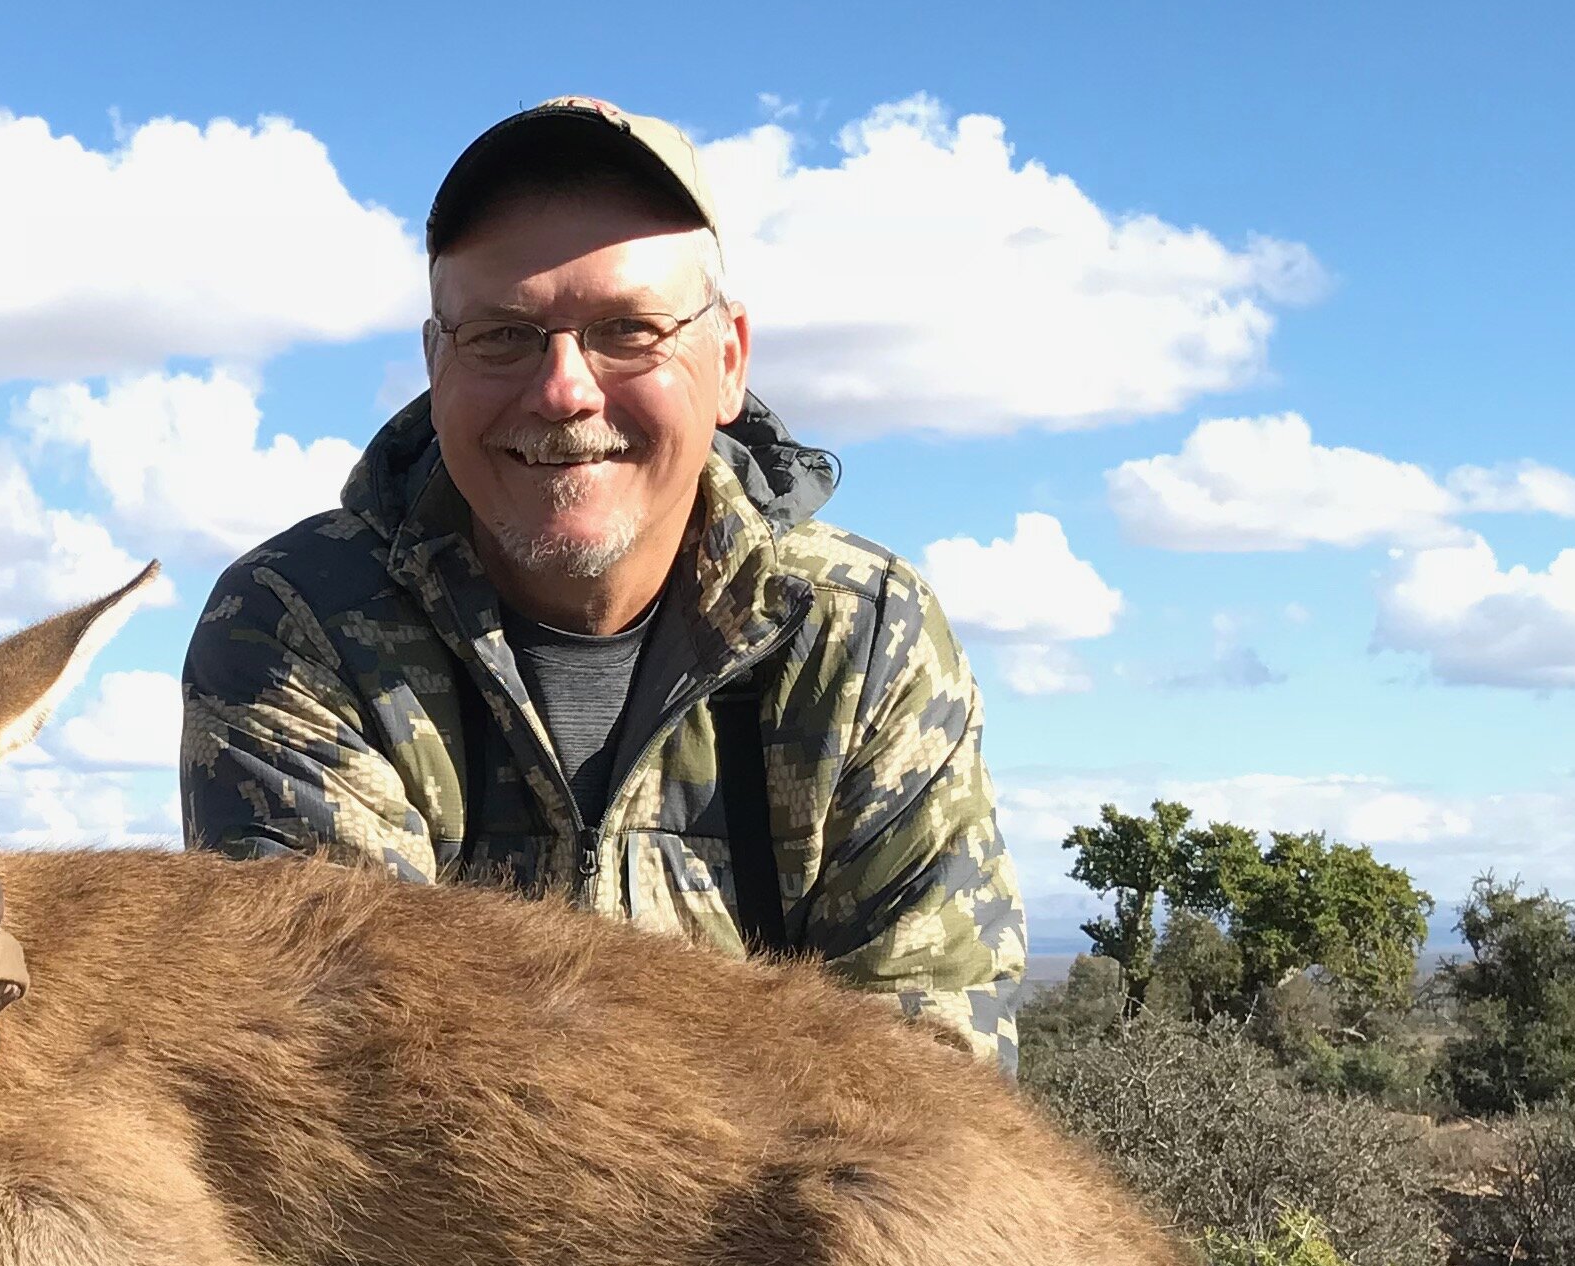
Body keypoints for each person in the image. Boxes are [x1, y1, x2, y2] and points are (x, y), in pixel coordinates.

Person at [180, 95, 1025, 1064]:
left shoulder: (864, 640)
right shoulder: (299, 627)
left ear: (729, 359)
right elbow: (345, 1088)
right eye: (501, 335)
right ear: (432, 364)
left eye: (627, 330)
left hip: (810, 1216)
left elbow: (936, 1109)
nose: (564, 391)